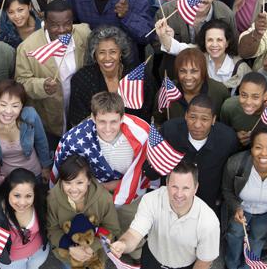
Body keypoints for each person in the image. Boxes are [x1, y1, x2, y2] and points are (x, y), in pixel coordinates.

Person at [54, 91, 150, 261]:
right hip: (95, 194)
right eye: (102, 122)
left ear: (122, 117)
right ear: (93, 117)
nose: (107, 128)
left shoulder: (140, 134)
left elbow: (148, 165)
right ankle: (99, 257)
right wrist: (107, 187)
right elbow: (68, 170)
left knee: (132, 227)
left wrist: (120, 186)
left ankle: (136, 254)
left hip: (131, 192)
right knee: (98, 230)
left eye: (113, 122)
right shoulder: (77, 139)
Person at [110, 160, 220, 269]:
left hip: (185, 266)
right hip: (151, 259)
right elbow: (134, 234)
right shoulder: (151, 200)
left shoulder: (209, 221)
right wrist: (123, 244)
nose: (179, 194)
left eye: (186, 188)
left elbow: (204, 262)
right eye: (174, 187)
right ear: (167, 184)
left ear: (195, 188)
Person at [15, 0, 90, 150]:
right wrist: (42, 86)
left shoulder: (84, 34)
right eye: (55, 25)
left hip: (79, 110)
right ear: (45, 23)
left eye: (67, 24)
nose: (62, 30)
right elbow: (21, 82)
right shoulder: (27, 48)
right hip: (50, 115)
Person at [145, 94, 238, 214]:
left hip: (207, 205)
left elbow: (232, 172)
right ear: (186, 115)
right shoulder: (169, 131)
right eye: (193, 117)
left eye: (204, 119)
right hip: (172, 203)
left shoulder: (227, 138)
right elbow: (151, 169)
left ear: (213, 119)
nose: (197, 124)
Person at [222, 126, 267, 269]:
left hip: (266, 212)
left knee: (257, 239)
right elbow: (226, 190)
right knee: (235, 235)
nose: (263, 153)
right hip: (241, 209)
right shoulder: (235, 164)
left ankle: (248, 266)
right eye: (258, 147)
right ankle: (231, 264)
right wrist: (236, 207)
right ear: (251, 148)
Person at [156, 0, 238, 79]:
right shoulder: (167, 11)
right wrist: (165, 38)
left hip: (211, 74)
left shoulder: (225, 14)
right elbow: (156, 47)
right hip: (176, 72)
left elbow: (232, 46)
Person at [69, 25, 156, 126]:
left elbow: (147, 115)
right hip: (94, 137)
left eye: (113, 52)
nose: (107, 58)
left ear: (120, 53)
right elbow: (79, 120)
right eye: (101, 52)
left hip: (133, 136)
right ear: (94, 55)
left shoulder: (139, 77)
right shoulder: (81, 79)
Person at [47, 155, 120, 268]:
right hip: (68, 256)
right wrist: (71, 248)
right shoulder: (52, 199)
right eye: (68, 183)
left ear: (89, 181)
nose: (73, 189)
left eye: (79, 183)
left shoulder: (104, 198)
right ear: (61, 181)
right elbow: (52, 229)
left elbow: (112, 229)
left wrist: (92, 247)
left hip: (96, 256)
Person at [0, 80, 52, 183]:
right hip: (7, 180)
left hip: (34, 175)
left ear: (22, 106)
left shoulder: (30, 115)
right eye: (3, 105)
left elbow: (41, 142)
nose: (8, 111)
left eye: (15, 106)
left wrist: (46, 168)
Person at [156, 18, 251, 95]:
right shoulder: (200, 54)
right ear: (204, 42)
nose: (214, 45)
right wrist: (162, 34)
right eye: (210, 40)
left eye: (219, 40)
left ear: (227, 42)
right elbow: (175, 47)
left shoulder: (240, 67)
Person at [0, 168, 49, 269]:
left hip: (39, 253)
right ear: (8, 192)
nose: (22, 203)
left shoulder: (40, 204)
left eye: (28, 196)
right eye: (17, 195)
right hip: (12, 262)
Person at [153, 48, 229, 125]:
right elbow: (158, 123)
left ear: (203, 71)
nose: (188, 77)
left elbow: (226, 124)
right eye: (183, 71)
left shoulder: (219, 91)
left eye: (194, 71)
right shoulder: (166, 92)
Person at [220, 72, 267, 147]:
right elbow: (223, 133)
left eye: (255, 97)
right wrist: (234, 137)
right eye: (244, 95)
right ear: (239, 91)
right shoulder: (229, 107)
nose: (248, 102)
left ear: (265, 95)